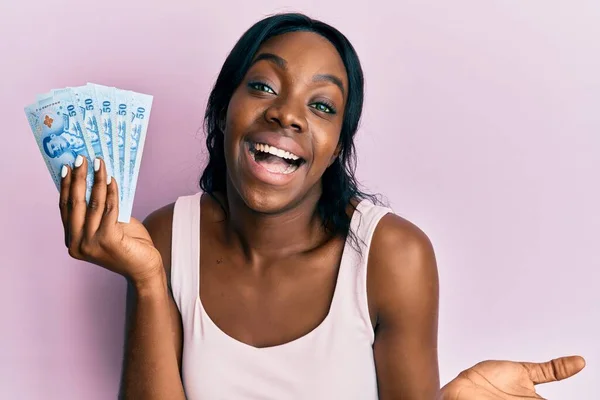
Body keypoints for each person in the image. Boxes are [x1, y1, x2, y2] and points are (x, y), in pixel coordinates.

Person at [56, 13, 585, 400]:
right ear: (222, 111)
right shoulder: (169, 235)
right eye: (263, 85)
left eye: (321, 105)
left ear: (336, 147)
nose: (286, 114)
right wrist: (149, 282)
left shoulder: (393, 256)